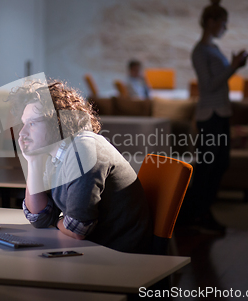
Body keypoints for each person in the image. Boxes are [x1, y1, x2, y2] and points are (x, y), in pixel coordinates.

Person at [9, 80, 152, 254]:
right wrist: (32, 162)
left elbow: (76, 230)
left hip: (119, 257)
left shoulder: (82, 149)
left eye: (32, 123)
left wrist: (56, 222)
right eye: (24, 124)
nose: (22, 133)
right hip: (96, 249)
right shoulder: (56, 155)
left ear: (58, 122)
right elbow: (39, 217)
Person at [180, 0, 248, 234]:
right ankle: (196, 213)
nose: (225, 28)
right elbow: (208, 86)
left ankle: (201, 211)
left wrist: (234, 67)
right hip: (209, 115)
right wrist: (233, 67)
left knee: (220, 163)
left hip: (220, 113)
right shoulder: (200, 51)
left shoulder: (213, 49)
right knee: (209, 166)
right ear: (211, 21)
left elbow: (217, 82)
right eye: (223, 23)